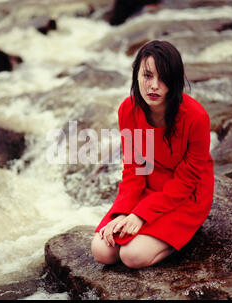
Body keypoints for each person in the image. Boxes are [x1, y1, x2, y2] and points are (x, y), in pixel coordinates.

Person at [91, 40, 214, 269]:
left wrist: (141, 215)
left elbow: (187, 181)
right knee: (102, 251)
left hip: (186, 195)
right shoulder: (128, 109)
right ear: (136, 74)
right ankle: (150, 234)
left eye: (164, 78)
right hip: (148, 187)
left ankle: (181, 237)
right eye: (147, 76)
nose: (154, 86)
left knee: (132, 256)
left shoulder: (196, 117)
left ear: (175, 81)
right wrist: (123, 212)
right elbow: (134, 169)